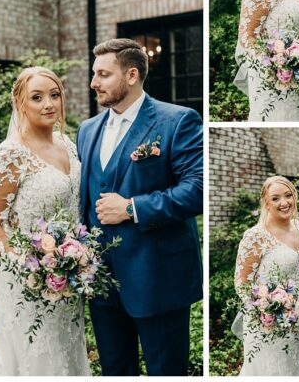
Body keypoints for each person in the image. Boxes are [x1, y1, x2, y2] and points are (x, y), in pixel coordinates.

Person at [77, 38, 203, 376]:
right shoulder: (87, 131)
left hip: (158, 277)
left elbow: (198, 189)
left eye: (103, 74)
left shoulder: (177, 121)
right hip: (102, 282)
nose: (94, 83)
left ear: (131, 75)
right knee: (115, 370)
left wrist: (132, 208)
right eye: (94, 74)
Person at [0, 67, 90, 375]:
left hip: (68, 273)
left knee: (68, 351)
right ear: (20, 103)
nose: (48, 104)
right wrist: (28, 262)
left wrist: (74, 257)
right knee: (32, 357)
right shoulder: (8, 154)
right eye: (37, 97)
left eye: (54, 95)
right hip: (24, 279)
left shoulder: (67, 144)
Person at [234, 177, 299, 376]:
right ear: (266, 203)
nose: (284, 203)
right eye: (275, 198)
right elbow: (242, 284)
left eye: (288, 196)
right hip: (266, 324)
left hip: (297, 319)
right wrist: (270, 308)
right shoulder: (256, 236)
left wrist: (293, 309)